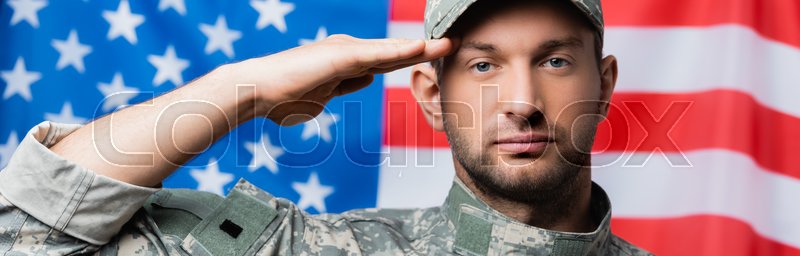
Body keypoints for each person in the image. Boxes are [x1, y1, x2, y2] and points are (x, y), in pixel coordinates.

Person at [0, 0, 652, 255]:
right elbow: (21, 237)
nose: (522, 101)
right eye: (483, 65)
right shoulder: (310, 248)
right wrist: (244, 89)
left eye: (556, 60)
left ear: (606, 83)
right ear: (429, 94)